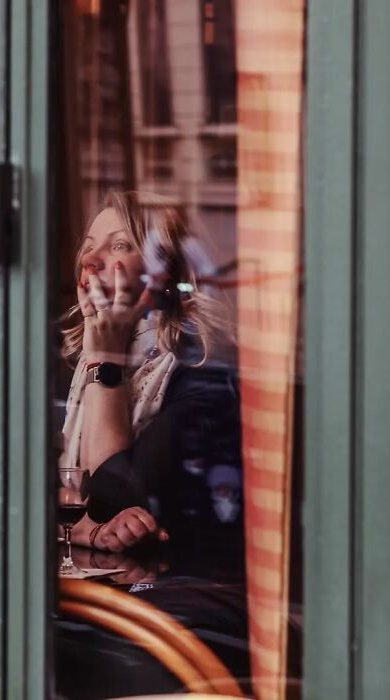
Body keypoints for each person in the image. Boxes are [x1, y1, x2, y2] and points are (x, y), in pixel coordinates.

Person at [60, 191, 244, 578]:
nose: (91, 261)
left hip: (178, 593)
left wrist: (105, 362)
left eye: (120, 245)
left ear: (165, 274)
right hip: (103, 585)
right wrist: (82, 530)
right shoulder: (68, 359)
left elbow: (118, 501)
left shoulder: (201, 366)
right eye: (89, 247)